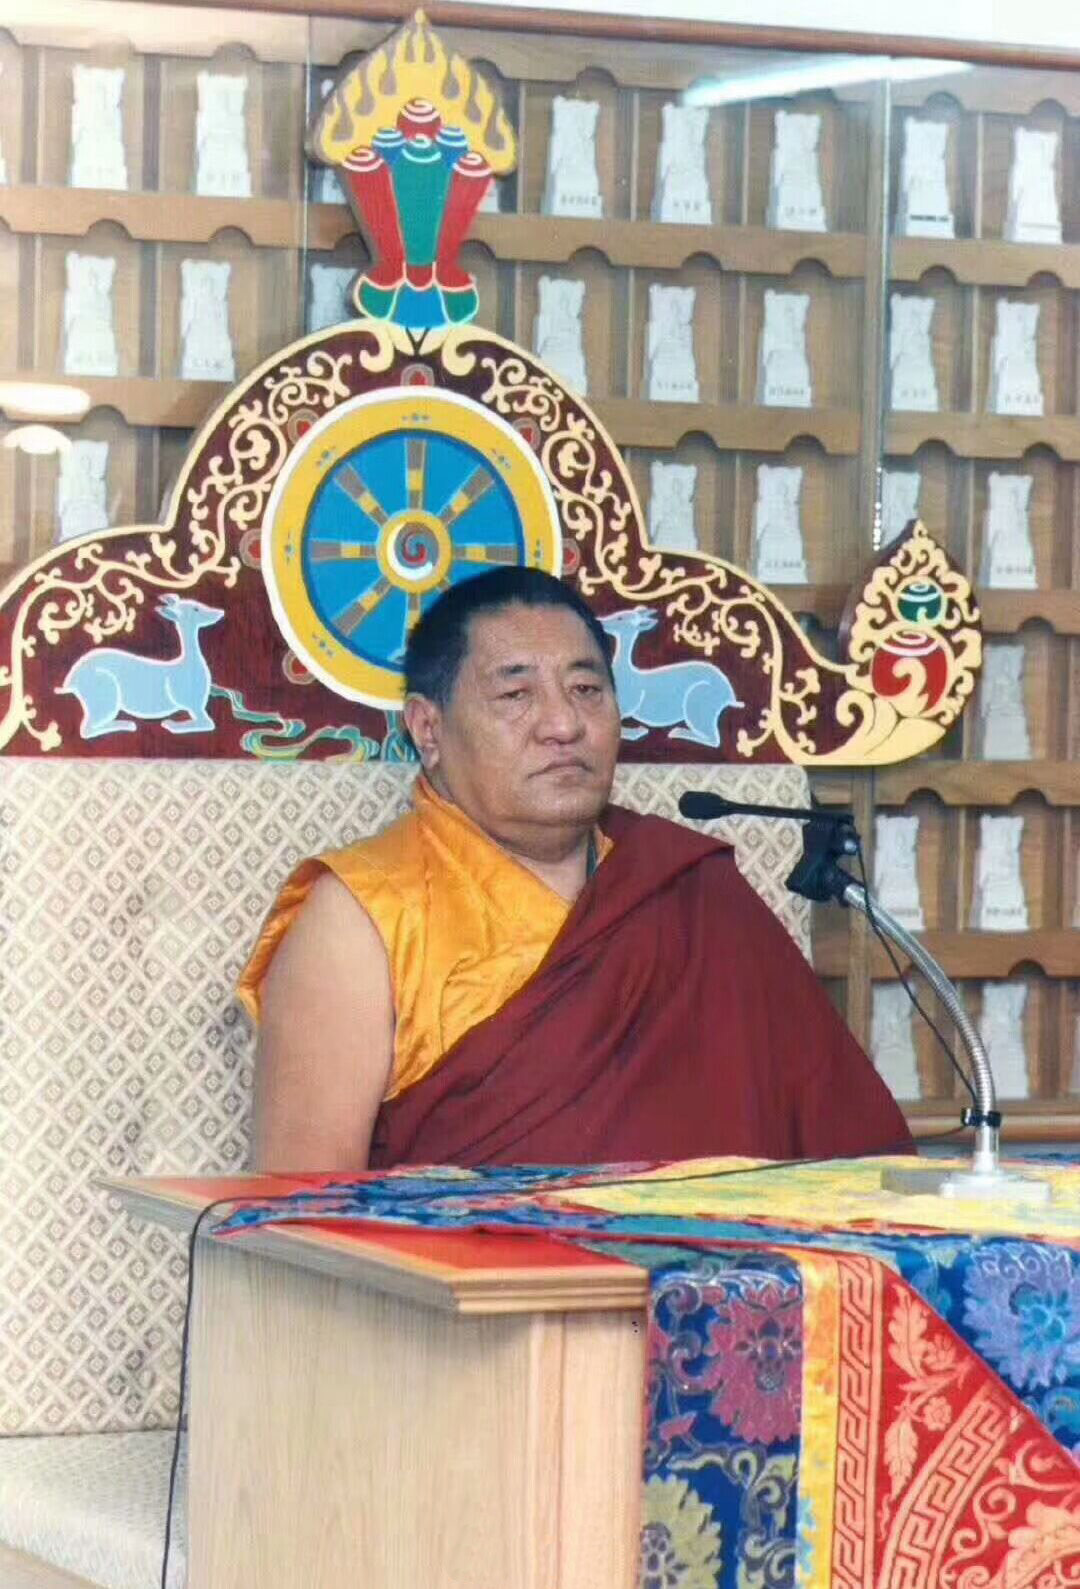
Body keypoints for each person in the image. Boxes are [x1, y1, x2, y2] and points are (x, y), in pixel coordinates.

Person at [238, 567, 913, 1171]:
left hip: (726, 1271)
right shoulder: (362, 915)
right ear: (428, 729)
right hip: (473, 1275)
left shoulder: (688, 887)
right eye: (516, 695)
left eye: (587, 689)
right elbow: (299, 1219)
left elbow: (849, 1159)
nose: (563, 724)